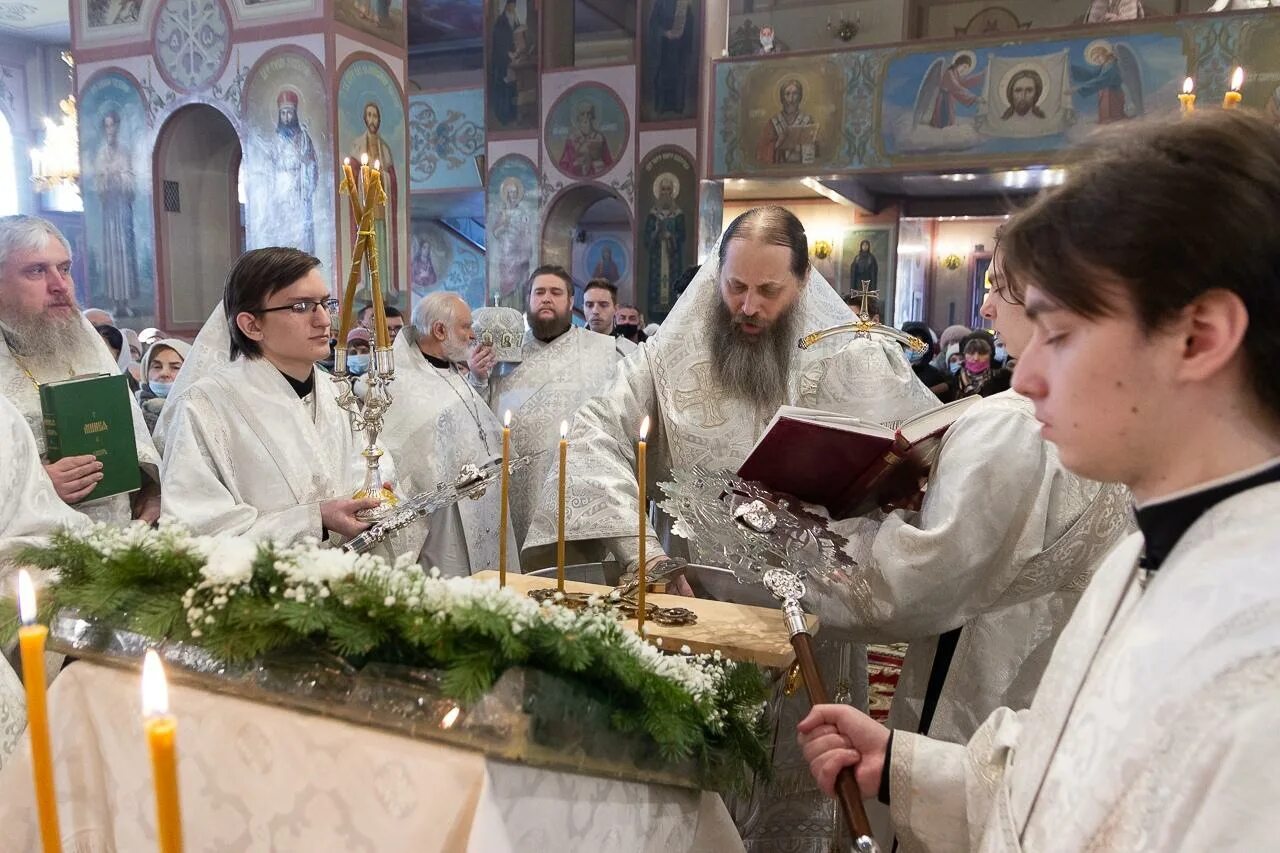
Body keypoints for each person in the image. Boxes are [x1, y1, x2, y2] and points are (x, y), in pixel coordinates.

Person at [799, 110, 1280, 850]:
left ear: (1199, 335)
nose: (1024, 375)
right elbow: (1078, 778)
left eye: (1059, 334)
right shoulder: (1149, 552)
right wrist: (902, 762)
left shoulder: (1260, 668)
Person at [521, 207, 936, 852]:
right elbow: (595, 435)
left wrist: (887, 490)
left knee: (798, 790)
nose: (747, 306)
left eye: (769, 291)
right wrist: (645, 558)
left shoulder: (853, 357)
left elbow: (924, 455)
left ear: (802, 282)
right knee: (703, 795)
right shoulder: (670, 353)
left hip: (814, 619)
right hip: (699, 614)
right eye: (734, 286)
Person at [806, 241, 1131, 757]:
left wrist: (801, 537)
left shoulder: (1011, 421)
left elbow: (917, 577)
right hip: (1064, 661)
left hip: (982, 672)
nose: (985, 307)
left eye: (1001, 286)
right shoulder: (1111, 402)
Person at [160, 247, 382, 543]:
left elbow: (369, 461)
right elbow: (196, 530)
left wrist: (376, 492)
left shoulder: (337, 391)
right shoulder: (204, 407)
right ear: (251, 325)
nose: (324, 320)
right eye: (301, 307)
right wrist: (314, 519)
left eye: (325, 303)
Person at [0, 214, 161, 524]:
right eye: (36, 271)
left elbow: (131, 434)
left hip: (117, 536)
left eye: (64, 269)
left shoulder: (83, 335)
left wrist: (150, 490)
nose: (60, 286)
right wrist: (35, 485)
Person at [477, 265, 626, 550]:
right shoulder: (504, 352)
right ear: (528, 301)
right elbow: (482, 416)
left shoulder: (601, 350)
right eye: (539, 292)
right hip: (516, 484)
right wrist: (478, 376)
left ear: (571, 302)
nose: (546, 298)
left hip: (578, 485)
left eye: (556, 292)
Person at [381, 292, 519, 575]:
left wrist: (478, 379)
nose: (473, 334)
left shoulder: (453, 370)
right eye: (466, 326)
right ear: (440, 330)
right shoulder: (402, 383)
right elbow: (408, 453)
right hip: (445, 517)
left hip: (483, 503)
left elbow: (466, 420)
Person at [92, 110, 139, 318]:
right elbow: (98, 182)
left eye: (113, 125)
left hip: (122, 210)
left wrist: (119, 177)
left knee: (124, 255)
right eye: (107, 126)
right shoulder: (101, 153)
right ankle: (113, 301)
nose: (110, 130)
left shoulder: (124, 151)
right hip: (109, 212)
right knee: (112, 256)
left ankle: (126, 301)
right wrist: (106, 178)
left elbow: (130, 179)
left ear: (117, 127)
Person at [268, 88, 319, 253]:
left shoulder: (303, 137)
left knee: (300, 236)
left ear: (295, 113)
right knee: (284, 233)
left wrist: (305, 165)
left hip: (298, 191)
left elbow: (312, 164)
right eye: (283, 113)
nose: (286, 117)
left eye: (289, 113)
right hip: (282, 192)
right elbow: (270, 168)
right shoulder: (275, 140)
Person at [644, 175, 686, 314]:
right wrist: (656, 232)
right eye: (663, 190)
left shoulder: (678, 214)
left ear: (673, 191)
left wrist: (671, 236)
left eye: (669, 189)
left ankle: (672, 309)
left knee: (672, 284)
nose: (666, 193)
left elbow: (683, 235)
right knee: (657, 284)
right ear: (659, 192)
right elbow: (647, 238)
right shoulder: (653, 215)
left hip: (672, 257)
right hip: (657, 258)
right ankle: (655, 311)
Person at [645, 0, 694, 116]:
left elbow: (690, 23)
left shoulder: (684, 3)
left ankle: (678, 107)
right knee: (662, 77)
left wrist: (681, 32)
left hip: (679, 49)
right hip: (663, 48)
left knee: (679, 77)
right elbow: (653, 24)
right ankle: (661, 107)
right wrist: (665, 33)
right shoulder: (660, 3)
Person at [756, 78, 818, 165]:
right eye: (787, 94)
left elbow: (817, 149)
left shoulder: (808, 120)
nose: (791, 99)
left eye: (795, 94)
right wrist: (777, 144)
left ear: (800, 96)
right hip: (780, 169)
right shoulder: (773, 123)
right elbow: (762, 150)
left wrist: (807, 145)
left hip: (802, 168)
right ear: (782, 97)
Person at [137, 337, 190, 434]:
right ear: (145, 372)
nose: (164, 373)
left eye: (175, 367)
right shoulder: (132, 409)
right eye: (157, 367)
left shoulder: (197, 414)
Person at [558, 101, 613, 178]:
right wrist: (575, 165)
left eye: (589, 114)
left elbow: (608, 163)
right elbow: (564, 165)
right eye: (582, 114)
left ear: (593, 116)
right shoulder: (572, 138)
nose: (586, 117)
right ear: (578, 117)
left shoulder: (599, 137)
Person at [489, 0, 523, 126]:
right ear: (507, 5)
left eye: (514, 5)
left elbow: (516, 37)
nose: (513, 7)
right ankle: (504, 118)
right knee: (503, 90)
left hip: (511, 60)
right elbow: (499, 43)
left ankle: (512, 116)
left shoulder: (514, 18)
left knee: (511, 89)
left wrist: (516, 52)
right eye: (511, 4)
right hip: (502, 61)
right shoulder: (500, 21)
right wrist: (509, 54)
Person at [584, 278, 638, 354]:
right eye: (589, 305)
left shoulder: (631, 351)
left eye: (603, 305)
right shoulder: (571, 347)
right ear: (583, 308)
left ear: (615, 309)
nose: (595, 311)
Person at [930, 53, 984, 129]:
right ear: (959, 63)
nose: (964, 70)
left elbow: (965, 82)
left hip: (949, 101)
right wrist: (975, 98)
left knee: (948, 123)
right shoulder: (949, 73)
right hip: (944, 101)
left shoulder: (955, 74)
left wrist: (981, 76)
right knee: (942, 124)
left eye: (967, 68)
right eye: (964, 67)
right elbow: (956, 87)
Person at [901, 321, 950, 401]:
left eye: (917, 346)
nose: (912, 349)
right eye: (907, 345)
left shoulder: (935, 376)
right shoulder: (894, 371)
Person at [951, 331, 996, 398]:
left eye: (982, 353)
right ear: (964, 354)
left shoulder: (1000, 377)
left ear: (990, 354)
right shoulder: (957, 377)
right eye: (971, 353)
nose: (976, 358)